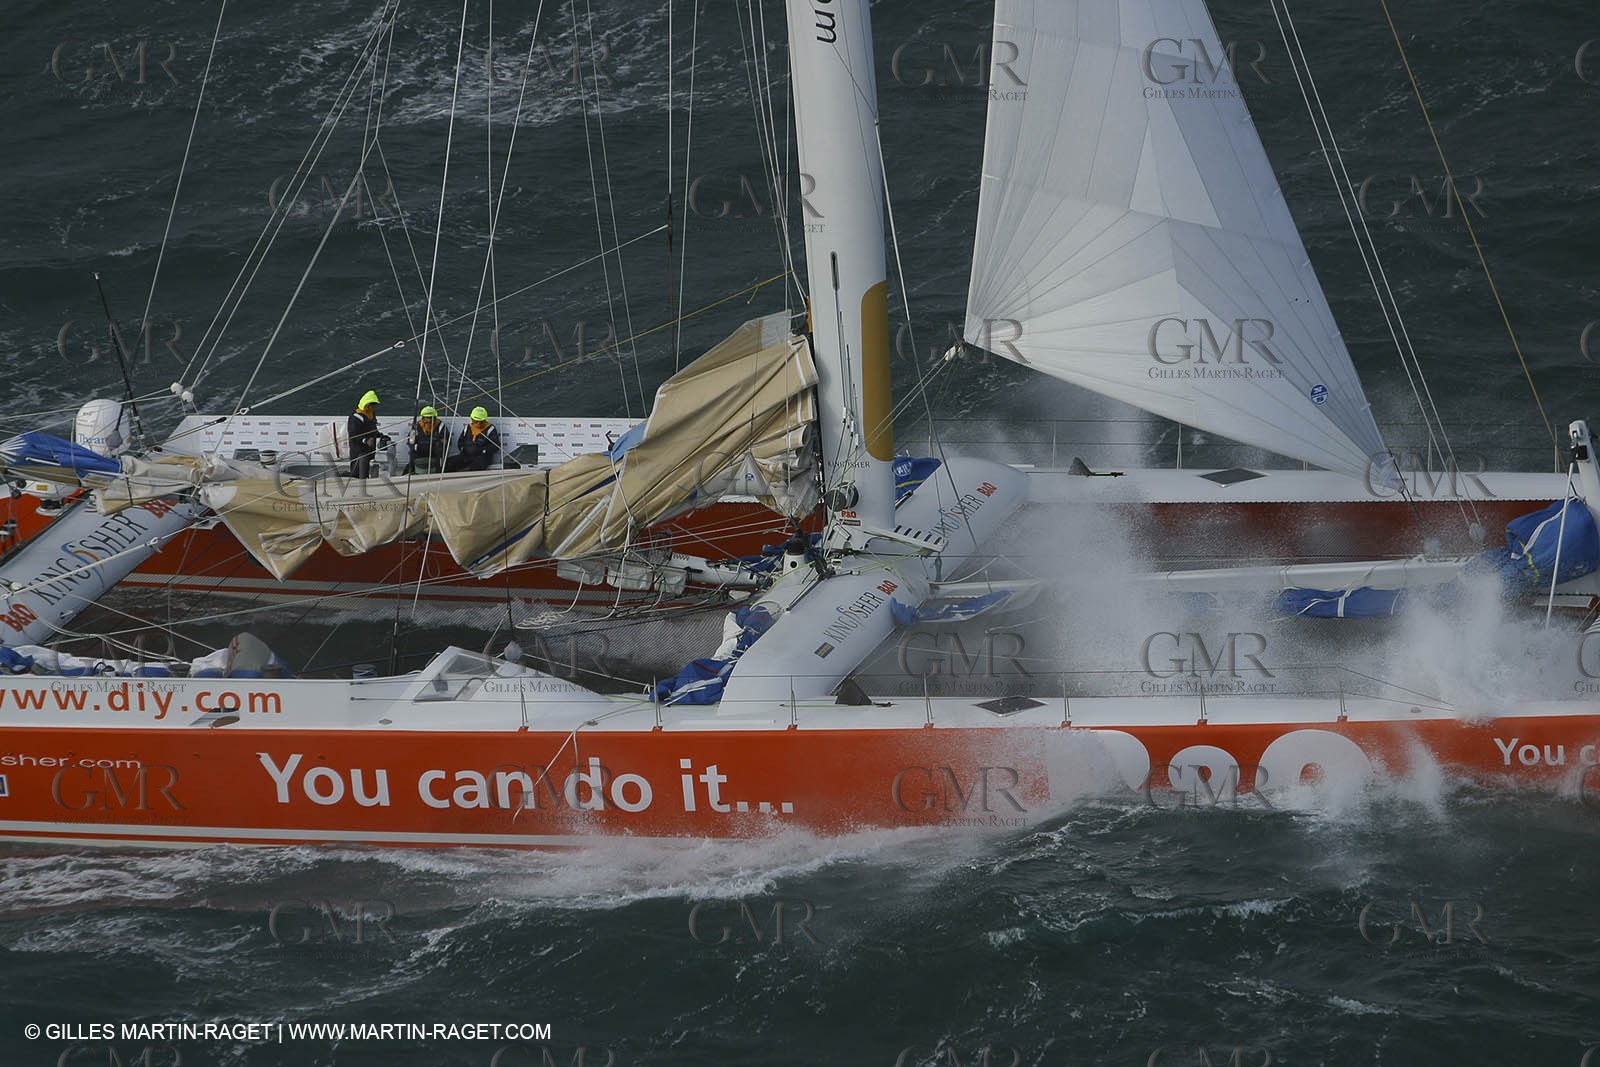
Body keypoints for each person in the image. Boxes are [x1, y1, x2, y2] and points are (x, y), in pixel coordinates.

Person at [445, 406, 503, 472]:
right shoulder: (467, 427)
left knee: (473, 467)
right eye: (475, 421)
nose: (477, 423)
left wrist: (482, 450)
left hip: (482, 457)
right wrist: (464, 449)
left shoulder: (490, 429)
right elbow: (460, 441)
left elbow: (495, 446)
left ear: (484, 420)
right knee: (448, 463)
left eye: (479, 421)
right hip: (466, 455)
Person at [347, 389, 385, 479]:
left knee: (365, 472)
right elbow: (353, 434)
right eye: (372, 405)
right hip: (358, 451)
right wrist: (365, 440)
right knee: (356, 474)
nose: (374, 407)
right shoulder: (355, 417)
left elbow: (372, 429)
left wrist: (380, 435)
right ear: (367, 405)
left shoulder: (371, 414)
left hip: (368, 450)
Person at [404, 405, 450, 475]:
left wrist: (439, 443)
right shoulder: (417, 426)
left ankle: (438, 473)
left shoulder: (441, 426)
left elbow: (446, 439)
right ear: (423, 417)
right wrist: (413, 445)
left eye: (431, 417)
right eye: (427, 417)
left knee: (440, 453)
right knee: (412, 455)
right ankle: (408, 473)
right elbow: (410, 439)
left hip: (434, 450)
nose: (429, 420)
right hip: (420, 449)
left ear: (434, 417)